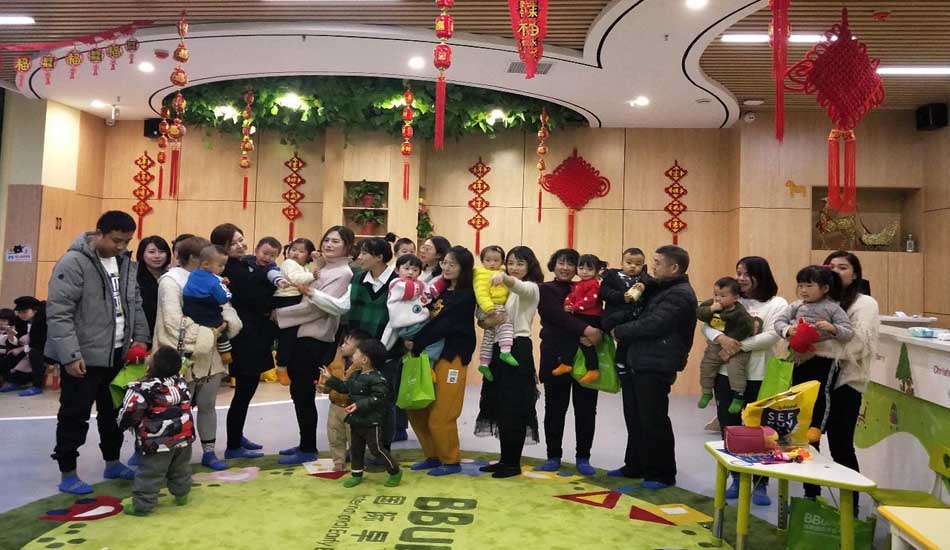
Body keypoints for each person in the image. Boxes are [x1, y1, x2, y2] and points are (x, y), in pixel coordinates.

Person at [47, 210, 150, 494]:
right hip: (84, 356)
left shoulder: (125, 263)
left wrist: (141, 339)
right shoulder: (74, 262)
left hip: (118, 354)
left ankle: (112, 462)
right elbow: (59, 312)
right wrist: (70, 355)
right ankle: (68, 473)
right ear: (99, 233)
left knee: (114, 414)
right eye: (116, 240)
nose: (121, 247)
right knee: (74, 415)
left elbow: (135, 303)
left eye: (127, 241)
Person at [700, 256, 787, 506]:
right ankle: (737, 478)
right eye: (738, 272)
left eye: (746, 273)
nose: (740, 278)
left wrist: (735, 346)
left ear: (761, 275)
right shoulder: (728, 297)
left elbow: (771, 335)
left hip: (759, 375)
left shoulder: (777, 303)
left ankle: (760, 482)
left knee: (759, 430)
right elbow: (706, 324)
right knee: (730, 427)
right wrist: (721, 339)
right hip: (725, 375)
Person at [612, 245, 697, 489]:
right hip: (640, 360)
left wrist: (619, 331)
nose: (652, 267)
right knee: (635, 417)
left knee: (653, 419)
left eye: (658, 263)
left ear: (674, 268)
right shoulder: (660, 287)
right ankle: (635, 465)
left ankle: (662, 474)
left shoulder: (680, 294)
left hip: (657, 363)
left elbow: (654, 324)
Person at [154, 236, 241, 471]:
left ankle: (209, 452)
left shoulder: (212, 278)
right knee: (177, 408)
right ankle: (175, 457)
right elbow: (173, 321)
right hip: (181, 355)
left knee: (207, 404)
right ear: (196, 258)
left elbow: (226, 309)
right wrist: (211, 332)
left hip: (211, 355)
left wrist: (225, 325)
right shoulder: (170, 281)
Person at [275, 226, 354, 464]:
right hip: (302, 334)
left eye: (335, 241)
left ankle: (308, 447)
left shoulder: (343, 273)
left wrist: (280, 314)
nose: (329, 244)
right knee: (299, 392)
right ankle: (305, 443)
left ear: (347, 246)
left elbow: (317, 308)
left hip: (315, 337)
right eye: (327, 240)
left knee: (303, 393)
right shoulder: (323, 267)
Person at [806, 251, 879, 506]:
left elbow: (858, 344)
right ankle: (810, 499)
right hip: (813, 381)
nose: (835, 271)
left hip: (846, 383)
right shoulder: (818, 300)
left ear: (855, 274)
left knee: (841, 446)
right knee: (809, 443)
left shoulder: (864, 303)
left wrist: (816, 345)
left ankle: (850, 508)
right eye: (831, 266)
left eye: (843, 267)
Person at [405, 246, 476, 476]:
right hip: (425, 356)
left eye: (452, 264)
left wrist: (416, 342)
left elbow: (444, 326)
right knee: (417, 409)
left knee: (442, 413)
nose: (446, 267)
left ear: (464, 268)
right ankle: (432, 455)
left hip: (452, 356)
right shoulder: (438, 290)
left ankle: (450, 460)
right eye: (444, 262)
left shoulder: (466, 295)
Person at [475, 246, 543, 478]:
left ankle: (513, 463)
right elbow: (484, 318)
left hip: (517, 348)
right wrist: (486, 321)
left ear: (529, 266)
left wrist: (502, 276)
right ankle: (505, 459)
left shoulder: (531, 287)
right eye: (511, 262)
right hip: (497, 348)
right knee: (500, 406)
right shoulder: (501, 286)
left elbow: (519, 287)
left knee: (515, 407)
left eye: (520, 264)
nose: (514, 268)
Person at [536, 248, 602, 476]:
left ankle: (583, 457)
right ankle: (553, 456)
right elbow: (556, 316)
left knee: (586, 410)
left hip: (584, 357)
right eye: (560, 263)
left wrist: (598, 331)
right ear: (553, 265)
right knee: (555, 409)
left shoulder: (587, 287)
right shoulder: (545, 289)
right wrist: (587, 329)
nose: (565, 268)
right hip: (555, 355)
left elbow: (599, 313)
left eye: (570, 264)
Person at [211, 223, 273, 459]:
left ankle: (237, 436)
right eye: (233, 243)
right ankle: (234, 445)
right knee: (244, 393)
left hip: (255, 336)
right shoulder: (230, 270)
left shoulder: (244, 264)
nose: (240, 245)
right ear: (222, 248)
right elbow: (257, 297)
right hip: (245, 340)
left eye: (241, 239)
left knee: (246, 393)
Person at [775, 265, 854, 446]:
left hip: (823, 359)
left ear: (824, 288)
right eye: (800, 285)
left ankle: (816, 426)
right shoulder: (796, 305)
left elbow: (848, 332)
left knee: (821, 392)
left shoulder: (833, 308)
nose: (803, 290)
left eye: (809, 286)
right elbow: (779, 322)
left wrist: (833, 328)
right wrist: (788, 330)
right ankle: (795, 424)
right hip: (798, 356)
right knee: (796, 390)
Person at [118, 346, 195, 516]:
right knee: (181, 468)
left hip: (156, 441)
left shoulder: (141, 388)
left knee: (150, 473)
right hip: (184, 436)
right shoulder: (182, 383)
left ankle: (142, 506)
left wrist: (124, 424)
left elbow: (129, 412)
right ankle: (182, 495)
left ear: (148, 367)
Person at [345, 237, 407, 445]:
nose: (359, 257)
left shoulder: (398, 282)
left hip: (386, 354)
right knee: (357, 398)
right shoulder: (358, 278)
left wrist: (379, 352)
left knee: (383, 401)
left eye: (364, 253)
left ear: (379, 257)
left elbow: (398, 321)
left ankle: (382, 449)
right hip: (359, 351)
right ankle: (358, 448)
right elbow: (344, 307)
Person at [321, 338, 402, 488]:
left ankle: (395, 471)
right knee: (356, 450)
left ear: (364, 360)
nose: (353, 355)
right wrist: (330, 379)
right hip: (356, 421)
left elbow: (379, 398)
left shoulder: (378, 378)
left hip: (372, 422)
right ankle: (356, 475)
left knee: (377, 449)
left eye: (356, 353)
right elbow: (344, 388)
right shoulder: (356, 375)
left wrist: (359, 405)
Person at [697, 277, 756, 413]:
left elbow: (747, 328)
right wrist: (711, 309)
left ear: (735, 298)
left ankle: (738, 395)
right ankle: (706, 391)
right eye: (716, 294)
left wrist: (730, 342)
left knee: (735, 368)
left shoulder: (739, 312)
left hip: (735, 346)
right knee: (707, 365)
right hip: (716, 343)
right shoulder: (711, 304)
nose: (718, 298)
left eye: (723, 296)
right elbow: (700, 314)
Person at [381, 254, 445, 363]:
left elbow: (431, 292)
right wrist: (421, 286)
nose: (410, 272)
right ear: (397, 270)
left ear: (419, 273)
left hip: (417, 323)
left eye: (415, 270)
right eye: (406, 269)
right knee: (436, 338)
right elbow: (410, 291)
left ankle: (424, 361)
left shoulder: (420, 284)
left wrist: (443, 279)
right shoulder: (396, 283)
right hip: (409, 325)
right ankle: (427, 362)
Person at [320, 329, 369, 471]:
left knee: (355, 437)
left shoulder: (363, 367)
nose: (342, 345)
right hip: (335, 406)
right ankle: (338, 461)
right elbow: (327, 382)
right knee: (334, 435)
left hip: (353, 407)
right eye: (343, 342)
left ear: (359, 349)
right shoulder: (335, 362)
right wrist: (323, 387)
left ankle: (357, 462)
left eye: (347, 343)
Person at [552, 253, 605, 385]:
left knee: (586, 343)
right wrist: (568, 304)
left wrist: (574, 307)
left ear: (596, 271)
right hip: (581, 315)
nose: (584, 272)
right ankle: (566, 363)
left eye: (589, 269)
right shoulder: (579, 284)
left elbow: (590, 300)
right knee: (572, 339)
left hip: (591, 317)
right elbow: (571, 296)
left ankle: (593, 369)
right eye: (581, 268)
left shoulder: (593, 284)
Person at [600, 247, 653, 378]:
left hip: (637, 319)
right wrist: (621, 297)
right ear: (622, 263)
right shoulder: (612, 277)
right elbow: (604, 293)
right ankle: (620, 363)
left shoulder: (644, 279)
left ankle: (629, 365)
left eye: (638, 264)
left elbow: (652, 286)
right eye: (629, 263)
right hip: (616, 317)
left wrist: (643, 284)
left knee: (634, 343)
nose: (633, 266)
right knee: (623, 340)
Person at [181, 245, 234, 365]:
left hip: (189, 309)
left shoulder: (193, 274)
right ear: (205, 264)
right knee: (221, 326)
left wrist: (221, 283)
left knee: (189, 342)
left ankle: (185, 360)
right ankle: (226, 353)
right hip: (207, 311)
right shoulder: (214, 281)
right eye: (220, 265)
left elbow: (203, 285)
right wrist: (225, 289)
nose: (223, 268)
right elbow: (223, 298)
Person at [473, 245, 518, 382]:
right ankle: (505, 351)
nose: (492, 263)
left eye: (496, 260)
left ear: (502, 261)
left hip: (494, 306)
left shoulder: (502, 273)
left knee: (489, 336)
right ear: (482, 261)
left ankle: (484, 363)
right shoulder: (481, 275)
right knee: (506, 323)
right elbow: (481, 293)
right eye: (488, 260)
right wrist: (489, 308)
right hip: (491, 306)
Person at [0, 296, 48, 396]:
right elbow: (18, 340)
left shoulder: (42, 320)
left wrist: (22, 348)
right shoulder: (20, 321)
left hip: (45, 349)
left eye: (24, 312)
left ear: (35, 310)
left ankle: (37, 385)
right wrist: (11, 336)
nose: (21, 315)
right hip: (28, 347)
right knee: (11, 355)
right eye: (19, 312)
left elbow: (40, 342)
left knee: (34, 354)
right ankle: (16, 381)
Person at [134, 236, 171, 338]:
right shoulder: (135, 277)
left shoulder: (170, 276)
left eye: (161, 252)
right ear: (142, 254)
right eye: (151, 252)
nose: (157, 256)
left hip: (166, 331)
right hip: (143, 332)